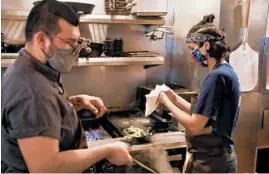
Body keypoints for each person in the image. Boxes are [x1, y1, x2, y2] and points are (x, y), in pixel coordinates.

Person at [1, 0, 132, 172]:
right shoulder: (32, 92)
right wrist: (107, 151)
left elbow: (43, 112)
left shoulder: (29, 65)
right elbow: (47, 168)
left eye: (78, 42)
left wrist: (74, 102)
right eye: (70, 42)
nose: (76, 50)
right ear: (42, 40)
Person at [158, 14, 241, 173]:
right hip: (219, 156)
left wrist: (165, 101)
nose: (191, 55)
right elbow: (203, 114)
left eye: (192, 49)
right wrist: (174, 98)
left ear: (206, 46)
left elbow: (195, 126)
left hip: (214, 161)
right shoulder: (225, 71)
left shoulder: (216, 77)